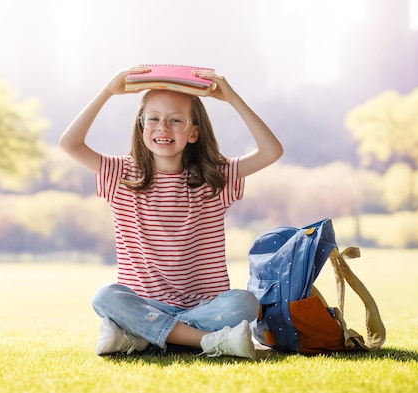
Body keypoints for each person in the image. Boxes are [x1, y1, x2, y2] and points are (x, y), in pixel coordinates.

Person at [59, 66, 283, 359]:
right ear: (141, 128)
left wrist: (232, 99)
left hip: (203, 306)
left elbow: (271, 151)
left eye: (175, 120)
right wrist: (108, 91)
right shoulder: (121, 174)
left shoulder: (215, 178)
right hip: (144, 303)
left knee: (245, 303)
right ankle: (209, 341)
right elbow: (69, 143)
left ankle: (139, 335)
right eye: (153, 119)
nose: (163, 127)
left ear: (193, 133)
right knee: (105, 296)